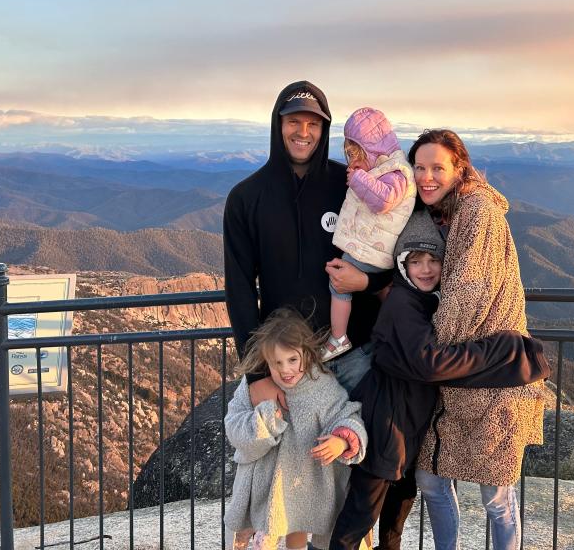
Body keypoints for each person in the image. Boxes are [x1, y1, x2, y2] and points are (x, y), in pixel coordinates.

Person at [329, 211, 550, 550]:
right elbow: (432, 364)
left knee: (396, 511)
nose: (427, 268)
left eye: (434, 259)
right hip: (389, 425)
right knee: (359, 517)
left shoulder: (425, 301)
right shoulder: (403, 304)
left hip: (407, 426)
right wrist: (513, 354)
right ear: (402, 264)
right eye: (416, 261)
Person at [410, 129, 545, 550]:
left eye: (437, 168)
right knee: (431, 479)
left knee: (497, 498)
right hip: (461, 377)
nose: (427, 177)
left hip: (494, 378)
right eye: (419, 168)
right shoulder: (446, 212)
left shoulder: (477, 212)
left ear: (459, 168)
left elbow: (468, 289)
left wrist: (428, 350)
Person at [223, 81, 391, 406]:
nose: (304, 132)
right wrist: (257, 375)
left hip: (356, 356)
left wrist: (369, 281)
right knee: (298, 457)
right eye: (294, 122)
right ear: (278, 125)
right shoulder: (246, 199)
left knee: (362, 451)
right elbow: (239, 288)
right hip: (288, 364)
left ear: (324, 129)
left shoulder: (353, 187)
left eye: (313, 123)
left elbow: (386, 252)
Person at [225, 309, 367, 550]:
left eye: (292, 360)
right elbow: (234, 425)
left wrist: (341, 442)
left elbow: (347, 415)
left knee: (296, 528)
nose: (285, 370)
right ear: (265, 361)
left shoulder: (320, 385)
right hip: (267, 488)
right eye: (276, 363)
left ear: (306, 353)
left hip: (304, 483)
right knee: (269, 533)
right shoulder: (254, 388)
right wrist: (266, 420)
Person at [322, 107, 416, 361]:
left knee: (338, 283)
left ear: (372, 149)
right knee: (372, 289)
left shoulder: (397, 172)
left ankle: (339, 337)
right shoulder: (387, 170)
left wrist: (359, 180)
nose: (354, 162)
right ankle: (396, 331)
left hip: (374, 248)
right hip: (373, 245)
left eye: (357, 154)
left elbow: (383, 200)